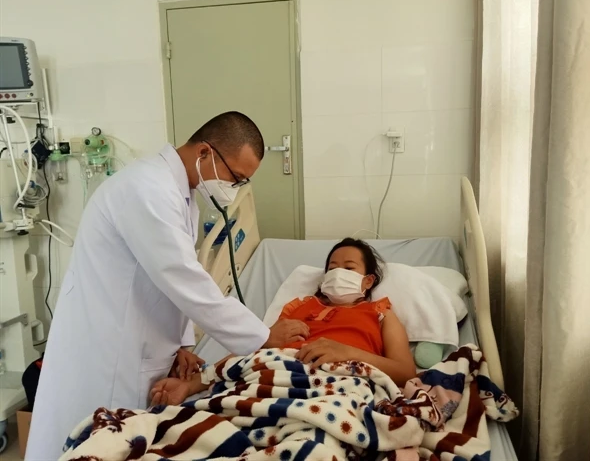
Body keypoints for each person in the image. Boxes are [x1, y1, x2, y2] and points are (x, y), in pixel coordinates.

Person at [26, 112, 309, 460]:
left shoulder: (179, 193)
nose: (234, 189)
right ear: (205, 153)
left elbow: (167, 280)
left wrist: (183, 343)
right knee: (92, 440)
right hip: (109, 348)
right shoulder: (147, 188)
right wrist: (262, 337)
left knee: (121, 440)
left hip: (136, 341)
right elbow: (182, 277)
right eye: (235, 177)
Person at [149, 238, 416, 406]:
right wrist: (190, 385)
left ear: (368, 281)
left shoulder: (380, 313)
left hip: (341, 386)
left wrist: (348, 353)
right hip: (272, 378)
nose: (338, 273)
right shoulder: (300, 307)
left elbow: (406, 373)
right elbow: (255, 350)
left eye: (348, 268)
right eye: (332, 268)